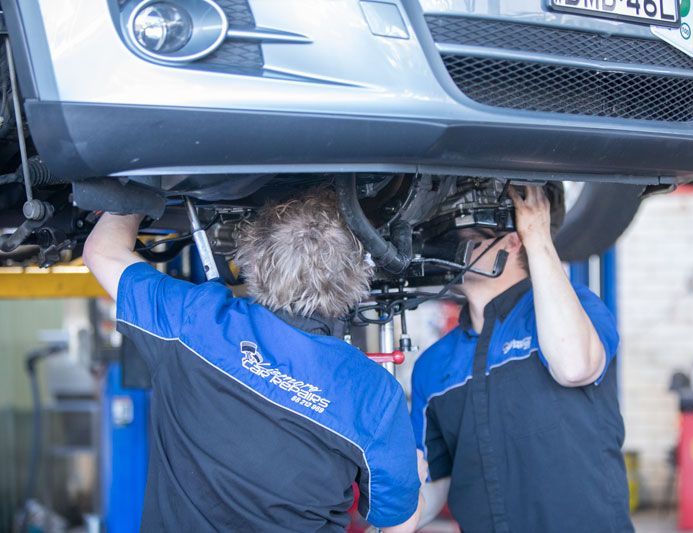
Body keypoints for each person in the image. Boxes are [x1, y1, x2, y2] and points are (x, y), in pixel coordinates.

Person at [83, 190, 424, 532]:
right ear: (357, 279)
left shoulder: (195, 321)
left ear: (254, 262)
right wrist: (415, 478)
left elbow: (102, 252)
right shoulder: (374, 393)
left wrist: (141, 183)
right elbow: (399, 523)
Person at [410, 184, 633, 532]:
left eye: (463, 234)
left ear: (511, 242)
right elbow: (434, 485)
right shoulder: (433, 364)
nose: (449, 247)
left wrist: (537, 235)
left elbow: (574, 367)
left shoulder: (578, 309)